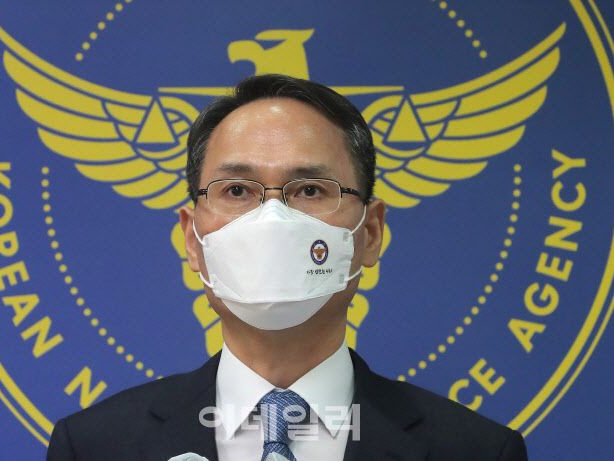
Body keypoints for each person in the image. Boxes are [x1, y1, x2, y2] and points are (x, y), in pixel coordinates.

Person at [46, 74, 528, 461]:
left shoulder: (477, 451)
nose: (272, 220)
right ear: (193, 240)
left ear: (371, 233)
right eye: (237, 191)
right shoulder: (94, 447)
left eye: (310, 190)